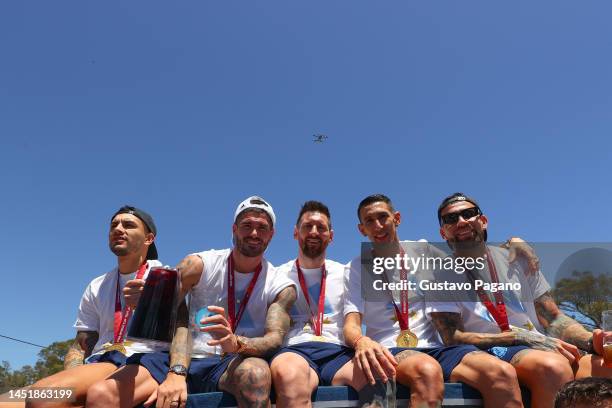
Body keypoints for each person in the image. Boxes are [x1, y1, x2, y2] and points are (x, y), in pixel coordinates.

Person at [85, 196, 297, 408]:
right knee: (103, 395)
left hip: (232, 363)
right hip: (186, 359)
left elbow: (275, 338)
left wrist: (236, 342)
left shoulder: (280, 284)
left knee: (256, 374)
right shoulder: (199, 264)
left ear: (271, 234)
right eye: (246, 225)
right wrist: (150, 303)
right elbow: (173, 313)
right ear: (234, 229)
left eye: (262, 228)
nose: (253, 233)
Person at [427, 192, 608, 407]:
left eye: (468, 214)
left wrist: (591, 340)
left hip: (542, 345)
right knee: (552, 367)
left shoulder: (519, 258)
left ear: (483, 221)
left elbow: (554, 319)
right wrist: (524, 337)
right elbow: (452, 337)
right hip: (489, 350)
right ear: (443, 233)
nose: (461, 221)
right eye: (451, 219)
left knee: (602, 367)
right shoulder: (440, 274)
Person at [344, 194, 525, 408]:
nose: (378, 225)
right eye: (369, 221)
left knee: (501, 373)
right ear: (361, 229)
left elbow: (467, 252)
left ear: (397, 218)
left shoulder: (423, 250)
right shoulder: (355, 268)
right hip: (391, 350)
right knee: (426, 371)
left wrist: (512, 243)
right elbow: (351, 324)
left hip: (439, 349)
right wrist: (360, 341)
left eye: (383, 217)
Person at [0, 206, 162, 408]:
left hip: (143, 361)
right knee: (8, 401)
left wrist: (176, 375)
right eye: (114, 225)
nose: (118, 229)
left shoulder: (165, 277)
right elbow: (80, 345)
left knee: (43, 396)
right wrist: (73, 379)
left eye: (128, 225)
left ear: (149, 239)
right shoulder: (97, 285)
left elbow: (186, 332)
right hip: (103, 362)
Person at [271, 200, 371, 407]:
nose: (314, 232)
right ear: (295, 232)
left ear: (331, 236)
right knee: (289, 376)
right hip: (295, 350)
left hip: (339, 352)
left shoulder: (347, 273)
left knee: (379, 377)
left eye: (321, 228)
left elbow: (356, 320)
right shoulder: (276, 275)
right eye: (307, 226)